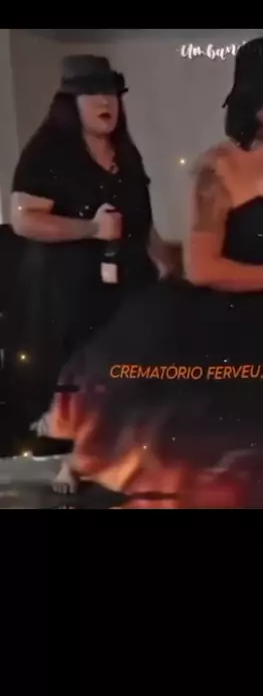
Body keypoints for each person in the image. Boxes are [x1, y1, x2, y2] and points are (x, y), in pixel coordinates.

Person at [35, 38, 263, 509]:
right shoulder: (216, 169)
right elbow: (202, 268)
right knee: (208, 456)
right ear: (256, 103)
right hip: (203, 322)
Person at [10, 55, 174, 487]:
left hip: (129, 280)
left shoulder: (125, 153)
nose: (106, 102)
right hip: (71, 287)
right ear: (71, 102)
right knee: (82, 371)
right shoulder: (48, 153)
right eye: (94, 94)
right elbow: (24, 219)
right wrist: (90, 228)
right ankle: (76, 457)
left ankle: (128, 454)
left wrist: (165, 264)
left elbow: (143, 221)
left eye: (112, 94)